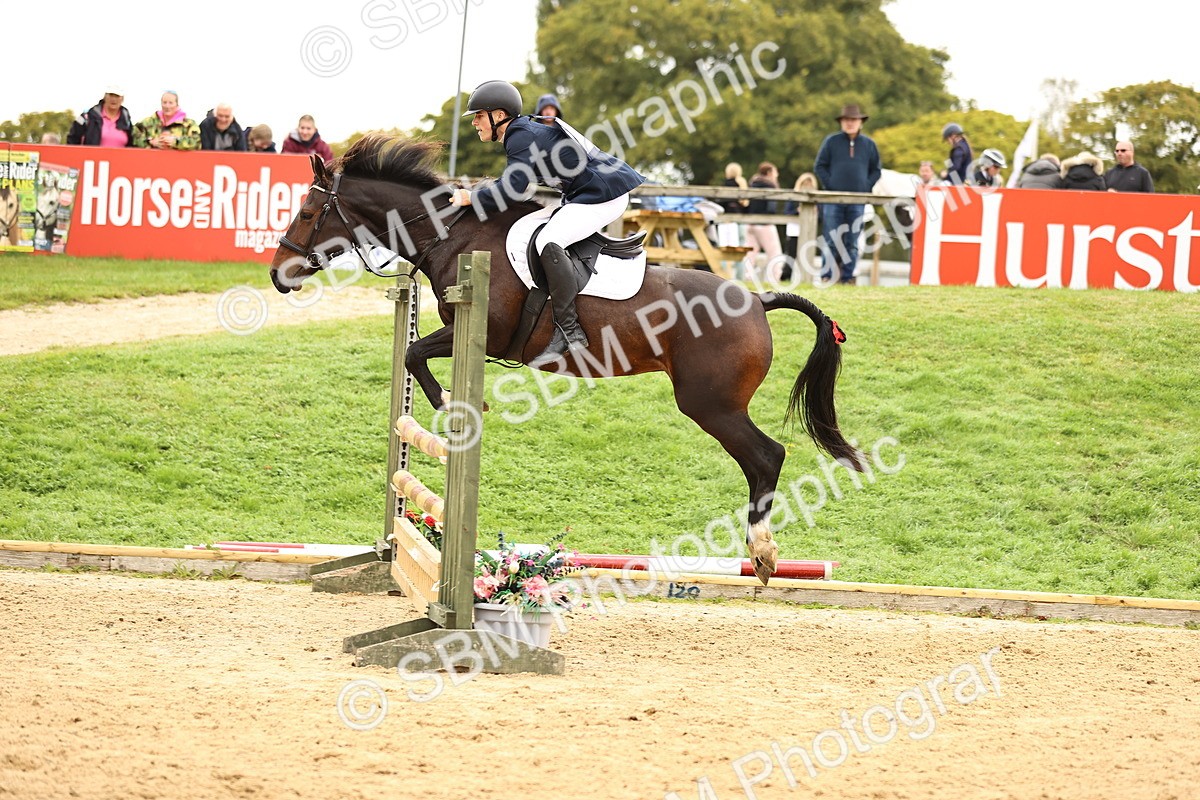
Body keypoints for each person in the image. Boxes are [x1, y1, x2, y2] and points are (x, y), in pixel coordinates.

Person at [449, 79, 645, 360]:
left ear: (499, 115)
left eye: (479, 116)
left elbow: (513, 189)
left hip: (605, 195)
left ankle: (569, 330)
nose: (474, 123)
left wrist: (471, 198)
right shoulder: (521, 132)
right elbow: (514, 185)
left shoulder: (519, 135)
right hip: (589, 193)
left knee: (548, 240)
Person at [814, 104, 882, 285]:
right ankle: (826, 275)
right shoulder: (831, 141)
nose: (850, 123)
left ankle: (848, 277)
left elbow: (876, 170)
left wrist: (865, 187)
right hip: (833, 199)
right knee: (831, 238)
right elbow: (819, 166)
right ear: (841, 122)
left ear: (860, 122)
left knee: (852, 240)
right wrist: (831, 186)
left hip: (857, 201)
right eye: (846, 120)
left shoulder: (869, 144)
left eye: (853, 120)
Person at [743, 162, 783, 283]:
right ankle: (774, 279)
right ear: (769, 173)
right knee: (775, 254)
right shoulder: (769, 186)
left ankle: (747, 279)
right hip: (764, 224)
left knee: (750, 255)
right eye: (775, 172)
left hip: (750, 224)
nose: (777, 174)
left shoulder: (752, 184)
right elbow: (770, 208)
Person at [66, 85, 136, 147]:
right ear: (105, 96)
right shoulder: (86, 116)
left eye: (117, 96)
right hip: (92, 160)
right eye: (111, 95)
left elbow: (132, 145)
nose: (114, 99)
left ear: (122, 99)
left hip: (120, 161)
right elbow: (72, 140)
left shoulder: (127, 121)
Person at [133, 91, 200, 150]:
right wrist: (150, 142)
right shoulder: (148, 122)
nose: (167, 106)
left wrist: (176, 142)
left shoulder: (188, 124)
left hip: (179, 162)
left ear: (177, 105)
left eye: (171, 103)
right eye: (164, 102)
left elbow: (197, 142)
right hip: (152, 161)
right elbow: (134, 136)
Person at [783, 173, 818, 282]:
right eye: (805, 183)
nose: (807, 186)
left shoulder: (815, 199)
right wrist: (797, 212)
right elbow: (787, 213)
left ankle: (806, 280)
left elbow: (820, 216)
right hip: (794, 231)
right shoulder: (793, 197)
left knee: (807, 256)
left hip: (808, 232)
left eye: (809, 184)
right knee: (791, 256)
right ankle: (785, 278)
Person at [716, 162, 749, 248]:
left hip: (727, 219)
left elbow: (722, 202)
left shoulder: (726, 185)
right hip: (741, 218)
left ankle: (723, 262)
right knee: (741, 244)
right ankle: (740, 262)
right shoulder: (742, 184)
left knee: (725, 244)